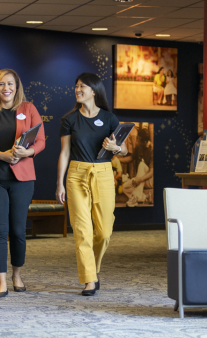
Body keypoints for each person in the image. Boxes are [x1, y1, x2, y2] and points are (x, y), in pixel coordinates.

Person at [0, 69, 46, 298]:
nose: (6, 88)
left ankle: (17, 275)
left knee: (17, 230)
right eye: (1, 84)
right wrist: (0, 155)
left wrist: (28, 152)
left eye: (10, 84)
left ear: (17, 86)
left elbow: (41, 140)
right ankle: (1, 282)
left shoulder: (29, 109)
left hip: (22, 180)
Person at [55, 73, 128, 296]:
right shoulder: (69, 119)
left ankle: (93, 270)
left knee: (104, 231)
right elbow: (65, 153)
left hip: (104, 173)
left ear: (94, 91)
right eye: (76, 86)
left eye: (82, 86)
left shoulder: (109, 119)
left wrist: (116, 149)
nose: (77, 89)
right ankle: (89, 279)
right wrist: (60, 183)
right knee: (82, 230)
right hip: (77, 174)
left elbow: (124, 149)